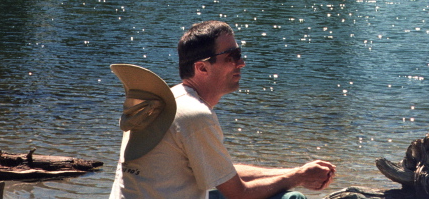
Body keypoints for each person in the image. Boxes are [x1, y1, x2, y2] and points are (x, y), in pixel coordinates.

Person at [110, 20, 336, 199]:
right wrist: (297, 178)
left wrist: (296, 171)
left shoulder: (168, 100)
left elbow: (222, 173)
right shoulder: (195, 116)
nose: (242, 63)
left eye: (239, 54)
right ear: (202, 67)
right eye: (232, 56)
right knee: (292, 198)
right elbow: (239, 194)